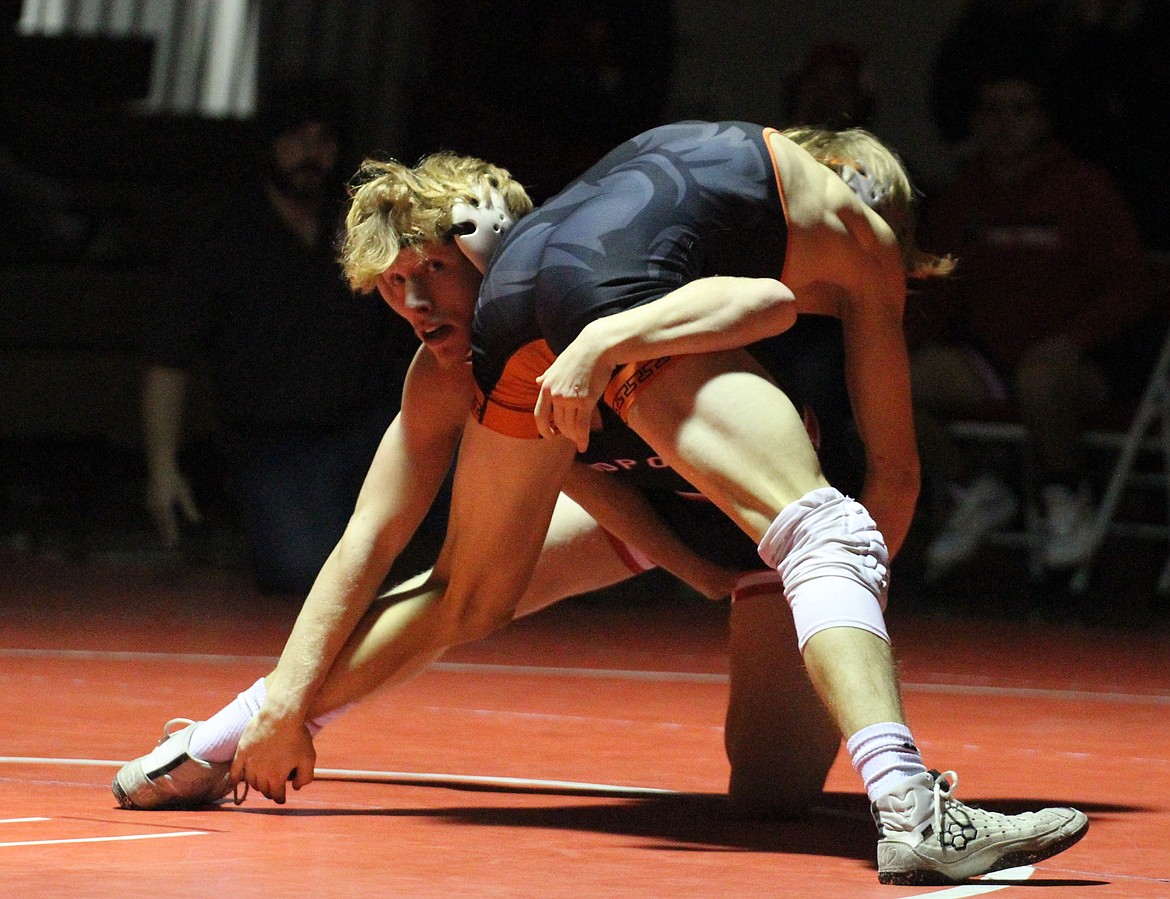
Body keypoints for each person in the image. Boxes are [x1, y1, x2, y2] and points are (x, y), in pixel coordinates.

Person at [119, 122, 1087, 885]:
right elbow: (813, 371)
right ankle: (913, 806)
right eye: (397, 285)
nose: (414, 304)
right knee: (826, 530)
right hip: (672, 464)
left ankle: (223, 738)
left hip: (687, 497)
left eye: (427, 275)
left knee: (763, 785)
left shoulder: (626, 236)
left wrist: (712, 566)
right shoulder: (806, 247)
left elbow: (552, 468)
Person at [140, 79, 415, 593]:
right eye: (296, 138)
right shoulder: (222, 233)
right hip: (272, 443)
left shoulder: (362, 229)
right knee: (303, 572)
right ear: (268, 143)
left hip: (372, 431)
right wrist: (161, 467)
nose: (311, 154)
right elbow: (168, 357)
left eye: (325, 140)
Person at [910, 73, 1152, 578]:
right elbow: (936, 289)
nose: (1005, 124)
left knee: (1040, 381)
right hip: (989, 357)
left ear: (1042, 121)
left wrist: (1073, 342)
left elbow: (1132, 287)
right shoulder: (962, 196)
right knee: (891, 382)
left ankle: (1066, 493)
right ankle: (973, 486)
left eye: (1019, 110)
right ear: (975, 122)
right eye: (993, 111)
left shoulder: (1084, 190)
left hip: (1076, 360)